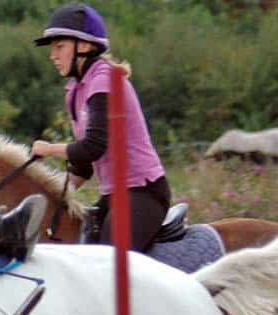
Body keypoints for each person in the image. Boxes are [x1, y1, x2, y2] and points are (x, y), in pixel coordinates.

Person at [28, 3, 171, 253]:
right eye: (52, 48)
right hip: (113, 195)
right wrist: (52, 194)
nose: (53, 55)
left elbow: (92, 147)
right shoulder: (75, 90)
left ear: (84, 45)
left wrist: (48, 149)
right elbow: (83, 167)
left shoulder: (104, 79)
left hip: (143, 192)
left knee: (108, 265)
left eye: (59, 46)